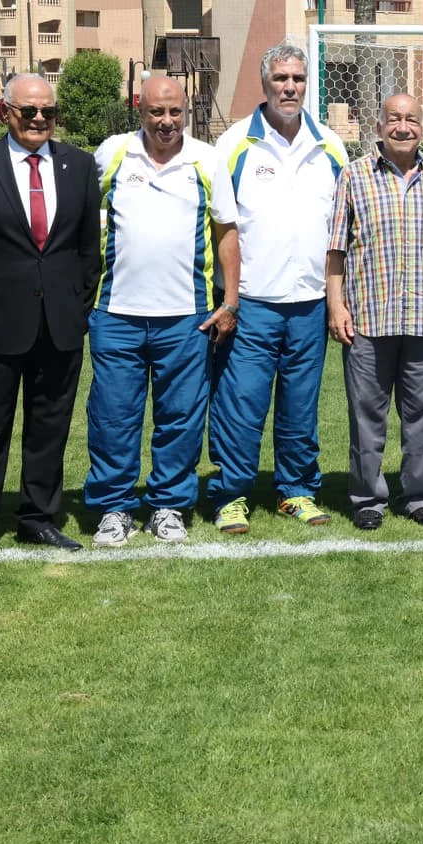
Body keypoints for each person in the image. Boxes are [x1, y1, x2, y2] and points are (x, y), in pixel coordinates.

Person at [0, 74, 100, 562]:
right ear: (5, 111)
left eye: (47, 112)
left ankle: (39, 516)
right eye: (28, 111)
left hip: (60, 321)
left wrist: (77, 304)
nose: (38, 120)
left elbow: (86, 247)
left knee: (49, 425)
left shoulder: (79, 165)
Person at [83, 75, 240, 547]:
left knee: (181, 417)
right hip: (116, 314)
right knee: (113, 416)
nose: (166, 121)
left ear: (186, 111)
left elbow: (227, 233)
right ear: (140, 111)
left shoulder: (207, 161)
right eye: (156, 112)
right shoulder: (111, 154)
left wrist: (229, 301)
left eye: (175, 112)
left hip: (186, 317)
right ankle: (114, 507)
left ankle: (169, 504)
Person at [204, 44, 347, 534]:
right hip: (252, 304)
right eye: (281, 78)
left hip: (308, 304)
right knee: (241, 406)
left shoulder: (330, 145)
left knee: (300, 407)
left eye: (298, 79)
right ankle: (230, 495)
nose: (290, 87)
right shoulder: (234, 144)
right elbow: (223, 228)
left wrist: (334, 300)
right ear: (264, 84)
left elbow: (338, 233)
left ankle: (297, 491)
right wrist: (230, 299)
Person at [328, 94, 423, 529]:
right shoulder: (354, 176)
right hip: (368, 320)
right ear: (379, 127)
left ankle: (418, 495)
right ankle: (367, 498)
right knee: (367, 417)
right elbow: (337, 248)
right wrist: (336, 304)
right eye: (393, 119)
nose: (402, 127)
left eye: (411, 119)